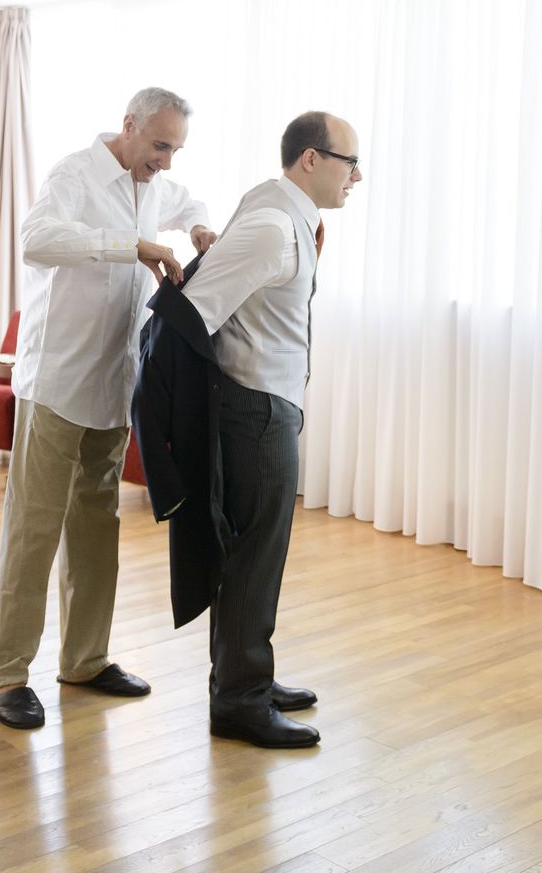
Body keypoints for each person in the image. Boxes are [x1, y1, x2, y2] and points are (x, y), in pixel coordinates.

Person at [0, 87, 217, 729]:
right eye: (160, 145)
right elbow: (37, 239)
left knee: (96, 528)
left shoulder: (155, 183)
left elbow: (188, 202)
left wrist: (197, 226)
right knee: (33, 530)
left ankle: (85, 660)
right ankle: (7, 676)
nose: (166, 161)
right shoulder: (75, 174)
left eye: (176, 149)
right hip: (56, 383)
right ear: (129, 125)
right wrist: (131, 245)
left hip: (113, 387)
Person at [173, 109, 363, 748]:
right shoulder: (273, 226)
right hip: (255, 408)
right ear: (311, 159)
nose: (356, 177)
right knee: (255, 554)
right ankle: (239, 699)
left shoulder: (277, 208)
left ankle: (244, 677)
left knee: (252, 553)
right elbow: (193, 312)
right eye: (349, 163)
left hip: (262, 401)